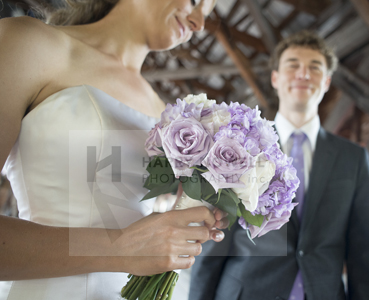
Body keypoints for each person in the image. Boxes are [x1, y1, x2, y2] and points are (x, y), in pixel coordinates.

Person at [0, 0, 229, 299]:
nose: (199, 22)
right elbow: (131, 244)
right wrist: (118, 247)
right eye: (197, 2)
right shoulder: (30, 43)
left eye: (207, 14)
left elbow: (145, 231)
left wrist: (191, 210)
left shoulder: (168, 115)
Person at [189, 30, 369, 300]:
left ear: (327, 81)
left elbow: (368, 252)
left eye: (314, 68)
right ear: (275, 78)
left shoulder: (352, 158)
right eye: (293, 65)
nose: (303, 74)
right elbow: (216, 239)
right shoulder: (239, 147)